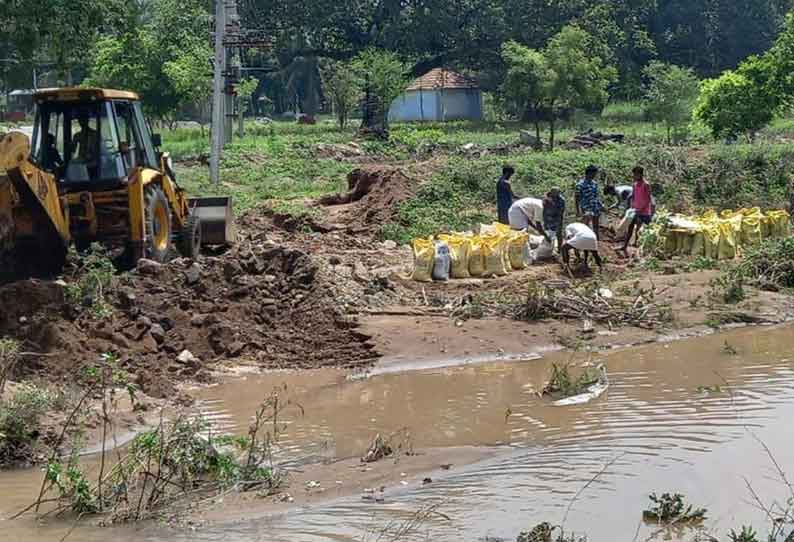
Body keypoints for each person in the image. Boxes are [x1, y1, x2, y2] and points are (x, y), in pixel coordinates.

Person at [621, 166, 654, 251]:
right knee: (630, 227)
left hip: (645, 211)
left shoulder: (646, 185)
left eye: (636, 175)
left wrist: (641, 209)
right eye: (634, 175)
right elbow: (634, 196)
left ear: (640, 175)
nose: (634, 176)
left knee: (641, 230)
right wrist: (632, 207)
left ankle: (640, 246)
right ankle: (625, 246)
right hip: (636, 210)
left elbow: (648, 199)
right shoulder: (635, 185)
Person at [575, 165, 604, 240]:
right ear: (589, 173)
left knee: (596, 227)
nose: (595, 175)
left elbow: (596, 196)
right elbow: (577, 198)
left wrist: (601, 206)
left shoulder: (594, 183)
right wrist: (578, 211)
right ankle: (584, 243)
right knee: (585, 227)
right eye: (594, 174)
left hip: (595, 207)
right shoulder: (580, 185)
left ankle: (596, 242)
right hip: (586, 208)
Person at [542, 187, 566, 252]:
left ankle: (559, 249)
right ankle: (547, 249)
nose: (556, 194)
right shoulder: (546, 198)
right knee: (547, 234)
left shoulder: (561, 200)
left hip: (557, 219)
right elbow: (543, 209)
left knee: (558, 234)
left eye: (558, 193)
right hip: (547, 219)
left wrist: (558, 220)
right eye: (555, 193)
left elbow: (561, 211)